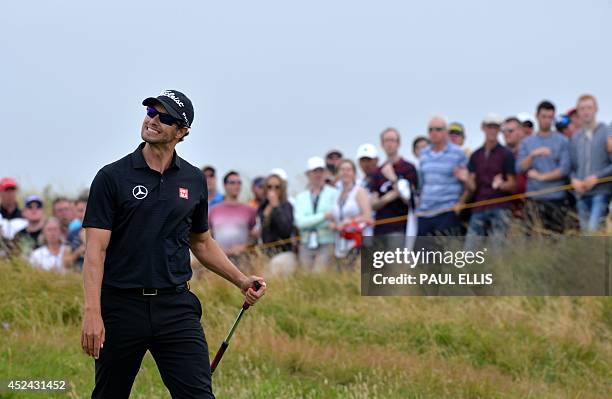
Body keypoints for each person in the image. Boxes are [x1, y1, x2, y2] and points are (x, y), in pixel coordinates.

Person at [80, 89, 265, 399]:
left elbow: (202, 242)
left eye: (164, 117)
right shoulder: (112, 177)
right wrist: (92, 312)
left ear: (182, 132)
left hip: (176, 307)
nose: (153, 120)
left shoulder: (193, 180)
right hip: (122, 307)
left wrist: (241, 280)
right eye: (151, 112)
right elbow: (95, 252)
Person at [464, 113, 517, 250]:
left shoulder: (506, 154)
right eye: (490, 127)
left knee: (497, 251)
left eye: (495, 127)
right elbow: (472, 187)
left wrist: (501, 185)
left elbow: (512, 185)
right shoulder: (476, 155)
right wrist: (465, 179)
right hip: (479, 206)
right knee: (469, 251)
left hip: (500, 206)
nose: (492, 130)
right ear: (483, 128)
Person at [517, 100, 571, 233]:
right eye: (543, 116)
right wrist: (533, 155)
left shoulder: (562, 141)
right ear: (537, 116)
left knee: (555, 241)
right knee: (531, 243)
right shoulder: (527, 142)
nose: (547, 120)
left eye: (550, 117)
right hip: (533, 200)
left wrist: (541, 177)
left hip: (556, 199)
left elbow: (564, 170)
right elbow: (519, 168)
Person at [417, 116, 468, 236]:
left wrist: (461, 203)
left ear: (446, 132)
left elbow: (468, 183)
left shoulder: (458, 153)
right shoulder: (424, 154)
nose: (434, 133)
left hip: (447, 211)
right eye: (430, 130)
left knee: (447, 253)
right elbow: (422, 183)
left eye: (438, 129)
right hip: (425, 213)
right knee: (421, 254)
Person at [569, 94, 612, 232]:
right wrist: (574, 180)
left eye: (589, 107)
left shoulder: (607, 131)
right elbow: (572, 166)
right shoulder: (575, 137)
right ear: (578, 112)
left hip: (601, 192)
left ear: (596, 109)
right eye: (582, 108)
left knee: (593, 231)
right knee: (587, 236)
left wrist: (597, 177)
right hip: (581, 194)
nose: (586, 111)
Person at [369, 128, 418, 236]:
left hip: (400, 228)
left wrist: (393, 179)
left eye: (392, 140)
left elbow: (410, 199)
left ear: (398, 143)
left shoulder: (408, 168)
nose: (389, 144)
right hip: (380, 228)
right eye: (386, 141)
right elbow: (373, 203)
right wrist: (388, 197)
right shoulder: (378, 171)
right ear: (382, 144)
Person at [294, 157, 337, 272]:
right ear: (308, 174)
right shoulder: (301, 197)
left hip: (326, 241)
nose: (318, 174)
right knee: (307, 277)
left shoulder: (333, 193)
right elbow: (300, 222)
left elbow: (334, 216)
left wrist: (311, 220)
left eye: (321, 171)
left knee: (320, 273)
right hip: (306, 242)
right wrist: (323, 216)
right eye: (315, 171)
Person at [328, 159, 373, 269]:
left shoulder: (359, 191)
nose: (345, 173)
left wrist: (350, 222)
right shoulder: (336, 193)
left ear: (354, 173)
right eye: (342, 170)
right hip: (341, 241)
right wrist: (334, 223)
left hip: (357, 240)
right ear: (338, 173)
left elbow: (367, 216)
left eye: (348, 170)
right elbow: (337, 215)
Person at [208, 171, 257, 265]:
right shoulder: (214, 210)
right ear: (225, 185)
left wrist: (244, 247)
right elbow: (208, 236)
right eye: (232, 182)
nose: (237, 185)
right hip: (219, 260)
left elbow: (254, 237)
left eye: (239, 182)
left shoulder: (249, 210)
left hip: (243, 259)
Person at [257, 174, 295, 255]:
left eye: (277, 187)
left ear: (281, 189)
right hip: (265, 251)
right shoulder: (262, 206)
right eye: (269, 187)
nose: (273, 190)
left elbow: (286, 230)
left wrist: (276, 208)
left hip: (283, 251)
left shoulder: (287, 206)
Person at [502, 117, 527, 219]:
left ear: (520, 132)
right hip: (505, 210)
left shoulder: (529, 152)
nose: (506, 134)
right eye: (504, 131)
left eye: (510, 131)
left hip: (529, 209)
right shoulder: (499, 155)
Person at [66, 191, 89, 271]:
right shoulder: (72, 234)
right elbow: (66, 262)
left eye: (87, 210)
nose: (83, 214)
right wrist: (79, 251)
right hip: (76, 278)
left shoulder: (105, 232)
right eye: (80, 211)